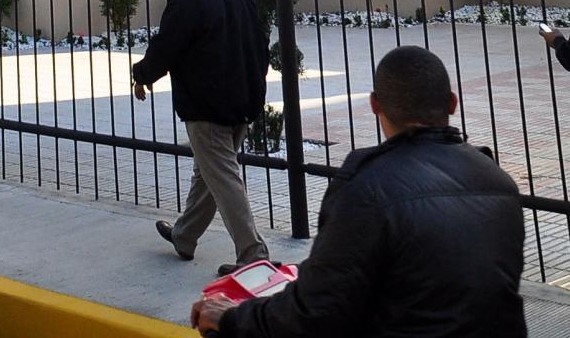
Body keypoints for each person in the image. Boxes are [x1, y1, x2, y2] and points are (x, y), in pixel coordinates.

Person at [191, 45, 525, 335]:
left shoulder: (368, 186)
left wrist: (233, 318)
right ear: (452, 103)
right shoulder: (500, 183)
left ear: (376, 105)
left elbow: (313, 313)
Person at [132, 0, 271, 274]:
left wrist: (142, 75)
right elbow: (261, 48)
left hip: (207, 106)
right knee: (209, 172)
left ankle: (253, 254)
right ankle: (185, 235)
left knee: (222, 176)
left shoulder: (188, 0)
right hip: (242, 102)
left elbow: (166, 47)